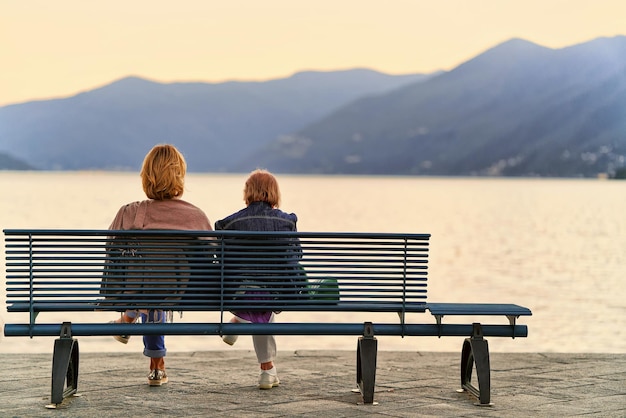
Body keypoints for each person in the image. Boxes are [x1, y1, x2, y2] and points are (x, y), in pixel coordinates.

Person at [107, 144, 212, 386]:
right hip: (181, 294)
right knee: (159, 282)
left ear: (146, 176)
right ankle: (156, 363)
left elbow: (111, 251)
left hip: (139, 290)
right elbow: (212, 259)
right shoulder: (194, 216)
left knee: (149, 281)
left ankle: (130, 322)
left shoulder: (128, 212)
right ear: (179, 176)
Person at [214, 169, 300, 390]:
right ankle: (267, 370)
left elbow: (222, 262)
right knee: (262, 300)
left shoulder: (229, 223)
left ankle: (240, 321)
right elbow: (295, 259)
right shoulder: (286, 222)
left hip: (238, 295)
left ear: (248, 192)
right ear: (273, 193)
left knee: (254, 296)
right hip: (273, 295)